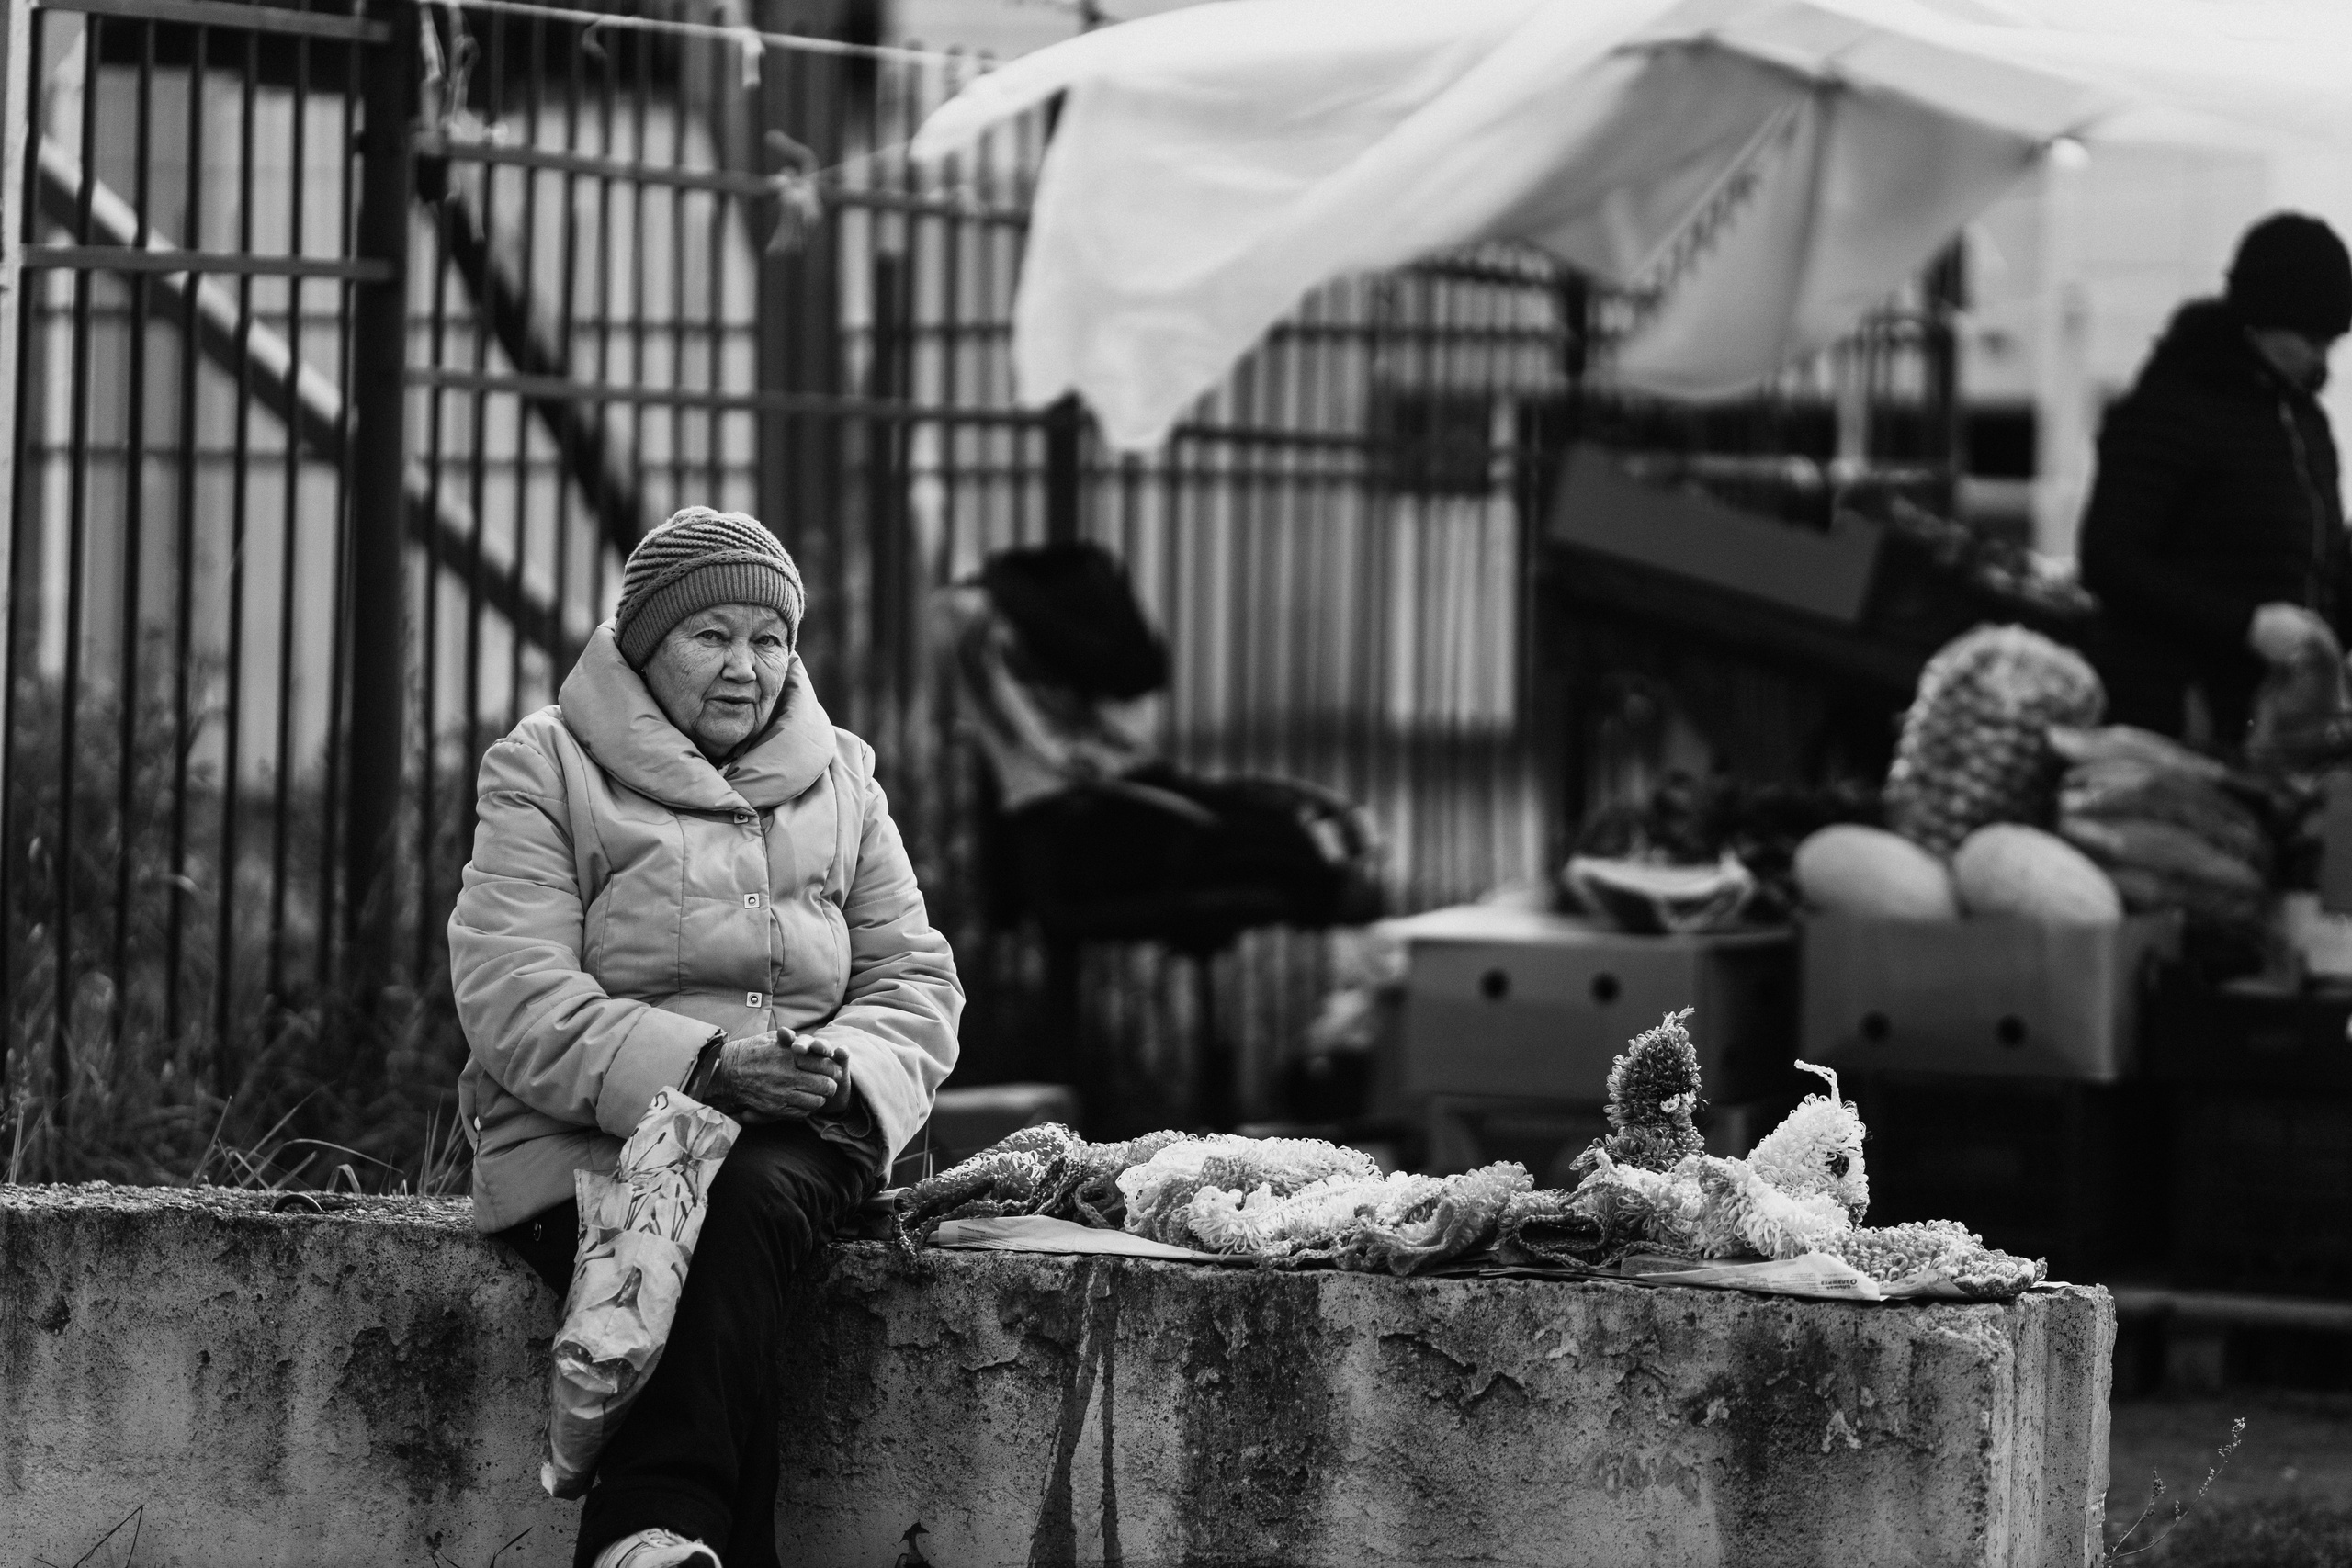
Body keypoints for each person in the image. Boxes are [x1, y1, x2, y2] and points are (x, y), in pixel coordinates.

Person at [449, 507, 962, 1568]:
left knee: (748, 1187)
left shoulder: (845, 778)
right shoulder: (544, 767)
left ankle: (651, 1532)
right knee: (726, 1215)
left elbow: (915, 979)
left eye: (769, 640)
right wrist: (707, 1074)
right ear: (644, 647)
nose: (746, 669)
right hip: (584, 1142)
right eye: (711, 637)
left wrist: (838, 1072)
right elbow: (511, 990)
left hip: (807, 1133)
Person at [2078, 211, 2351, 747]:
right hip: (2177, 713)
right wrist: (2247, 625)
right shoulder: (2169, 407)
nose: (2321, 358)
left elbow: (2315, 559)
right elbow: (2110, 557)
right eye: (2310, 338)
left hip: (2280, 721)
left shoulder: (2307, 423)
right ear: (2258, 320)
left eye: (2332, 341)